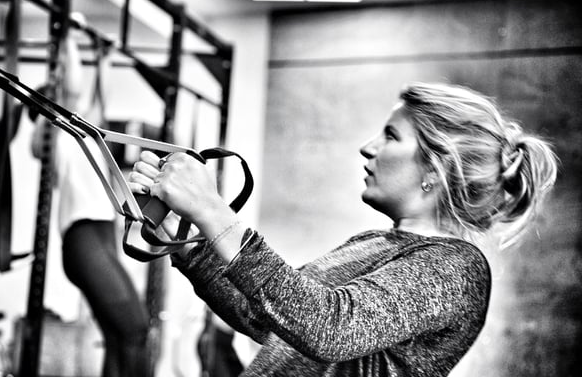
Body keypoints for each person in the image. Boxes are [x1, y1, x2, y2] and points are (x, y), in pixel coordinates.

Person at [128, 83, 558, 376]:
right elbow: (266, 318)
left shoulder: (456, 268)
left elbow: (329, 328)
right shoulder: (372, 243)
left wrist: (211, 209)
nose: (368, 147)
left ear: (435, 168)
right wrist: (182, 236)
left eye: (391, 136)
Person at [31, 35, 150, 377]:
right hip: (84, 239)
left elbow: (99, 101)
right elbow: (72, 89)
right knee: (135, 329)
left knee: (119, 337)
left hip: (100, 237)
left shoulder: (83, 135)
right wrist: (68, 37)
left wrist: (103, 59)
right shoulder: (51, 135)